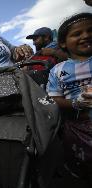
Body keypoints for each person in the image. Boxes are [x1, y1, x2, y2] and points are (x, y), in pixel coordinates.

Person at [47, 12, 92, 187]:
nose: (86, 35)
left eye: (90, 30)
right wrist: (74, 103)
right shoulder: (58, 70)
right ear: (63, 42)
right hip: (76, 128)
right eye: (77, 34)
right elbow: (54, 99)